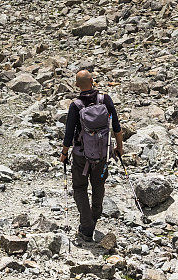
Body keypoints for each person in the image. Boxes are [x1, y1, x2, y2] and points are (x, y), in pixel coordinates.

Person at [60, 69, 123, 241]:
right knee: (98, 185)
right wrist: (119, 147)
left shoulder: (76, 105)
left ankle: (86, 227)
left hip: (81, 155)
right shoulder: (105, 99)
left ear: (76, 85)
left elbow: (68, 133)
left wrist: (64, 153)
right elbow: (116, 126)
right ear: (93, 81)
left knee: (80, 188)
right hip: (102, 154)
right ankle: (94, 217)